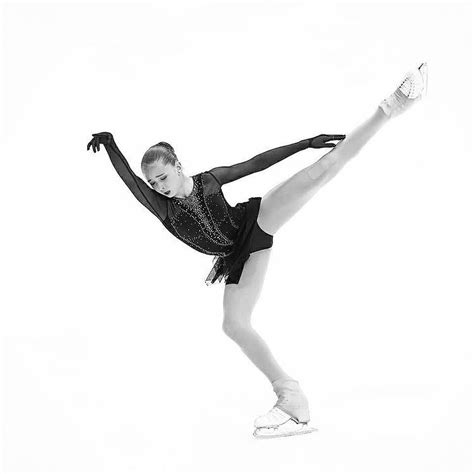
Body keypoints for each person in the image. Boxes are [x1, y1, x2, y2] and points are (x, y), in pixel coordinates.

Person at [86, 62, 428, 439]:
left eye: (163, 177)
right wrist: (112, 147)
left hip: (257, 221)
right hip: (238, 256)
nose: (159, 186)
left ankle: (393, 104)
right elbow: (131, 182)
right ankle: (291, 397)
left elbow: (256, 163)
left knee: (322, 170)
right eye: (154, 183)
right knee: (234, 325)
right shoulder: (162, 208)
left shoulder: (209, 181)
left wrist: (305, 143)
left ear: (178, 165)